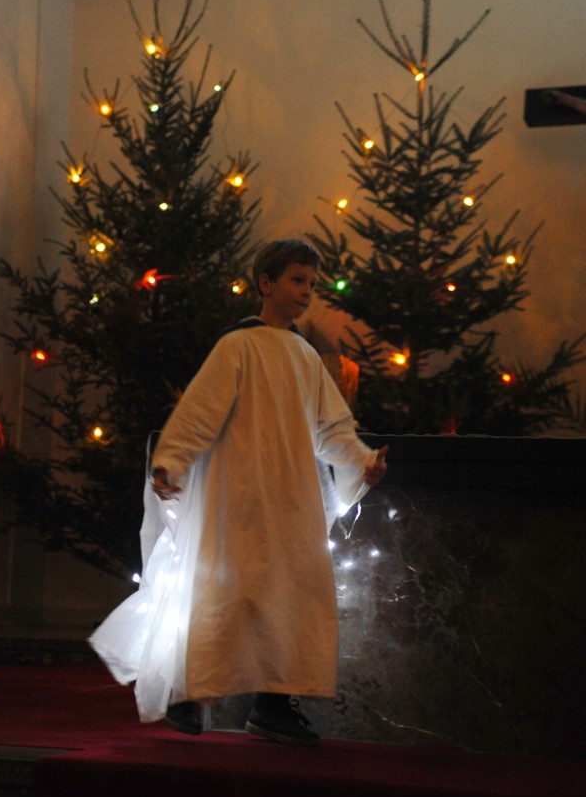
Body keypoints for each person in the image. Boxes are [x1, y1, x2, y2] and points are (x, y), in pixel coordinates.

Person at [90, 238, 388, 746]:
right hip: (240, 495)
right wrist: (171, 461)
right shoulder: (238, 347)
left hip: (291, 497)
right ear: (266, 283)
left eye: (312, 284)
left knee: (288, 596)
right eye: (297, 280)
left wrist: (362, 461)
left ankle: (272, 705)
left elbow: (330, 428)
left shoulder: (306, 356)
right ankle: (186, 695)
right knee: (226, 593)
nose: (306, 292)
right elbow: (199, 413)